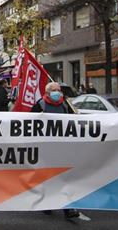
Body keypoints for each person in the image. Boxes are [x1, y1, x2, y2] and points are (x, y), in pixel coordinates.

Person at [31, 82, 82, 220]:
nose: (57, 93)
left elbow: (75, 121)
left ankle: (68, 208)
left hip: (63, 147)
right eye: (54, 90)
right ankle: (47, 203)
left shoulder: (65, 105)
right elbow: (30, 124)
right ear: (47, 92)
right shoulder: (39, 105)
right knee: (48, 177)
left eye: (59, 90)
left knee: (64, 176)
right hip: (46, 147)